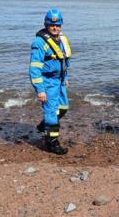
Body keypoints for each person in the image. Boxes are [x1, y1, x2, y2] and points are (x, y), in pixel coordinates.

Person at [29, 8, 72, 155]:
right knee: (52, 113)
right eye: (52, 25)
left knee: (63, 108)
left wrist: (65, 78)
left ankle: (44, 126)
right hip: (47, 82)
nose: (55, 27)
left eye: (58, 25)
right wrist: (40, 89)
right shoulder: (39, 43)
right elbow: (34, 69)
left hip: (59, 81)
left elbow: (65, 60)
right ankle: (51, 143)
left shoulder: (62, 40)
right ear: (46, 24)